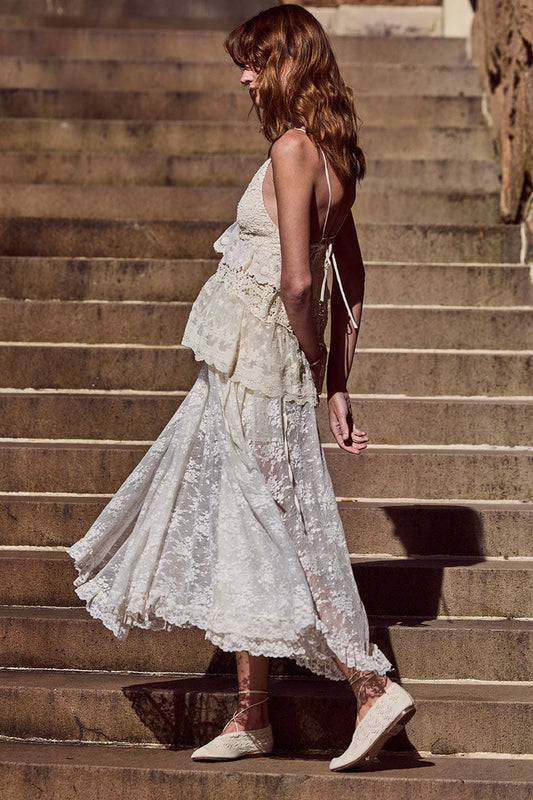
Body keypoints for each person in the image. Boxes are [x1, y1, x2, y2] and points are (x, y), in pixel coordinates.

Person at [67, 3, 415, 771]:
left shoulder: (294, 150)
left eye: (256, 61)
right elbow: (350, 277)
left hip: (261, 362)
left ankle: (368, 686)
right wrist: (335, 382)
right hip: (259, 366)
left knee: (280, 526)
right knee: (241, 520)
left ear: (291, 63)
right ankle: (250, 713)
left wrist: (315, 362)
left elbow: (301, 283)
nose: (244, 77)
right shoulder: (335, 155)